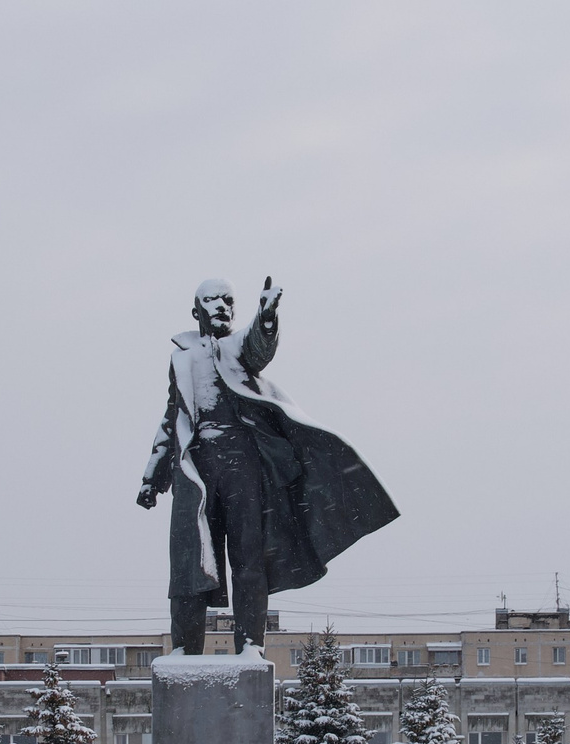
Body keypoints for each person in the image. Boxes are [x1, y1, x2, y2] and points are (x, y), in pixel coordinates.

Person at [138, 277, 396, 654]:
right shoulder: (182, 357)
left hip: (243, 464)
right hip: (196, 470)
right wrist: (153, 477)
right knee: (190, 562)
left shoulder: (237, 349)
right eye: (212, 300)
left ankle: (250, 648)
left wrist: (267, 318)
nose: (221, 306)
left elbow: (257, 347)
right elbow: (171, 418)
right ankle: (184, 653)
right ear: (197, 311)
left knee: (249, 557)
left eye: (227, 300)